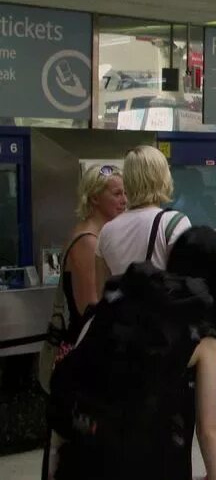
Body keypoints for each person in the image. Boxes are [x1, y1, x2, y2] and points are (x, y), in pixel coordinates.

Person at [49, 226, 216, 480]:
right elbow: (208, 431)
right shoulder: (203, 336)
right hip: (151, 465)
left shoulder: (122, 308)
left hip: (85, 457)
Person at [40, 165, 127, 391]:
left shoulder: (98, 236)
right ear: (96, 197)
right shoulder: (88, 242)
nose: (124, 200)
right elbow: (90, 311)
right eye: (117, 194)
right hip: (85, 358)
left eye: (125, 193)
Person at [98, 145, 192, 276]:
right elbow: (186, 281)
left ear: (128, 180)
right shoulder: (174, 223)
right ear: (163, 179)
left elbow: (102, 289)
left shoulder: (107, 231)